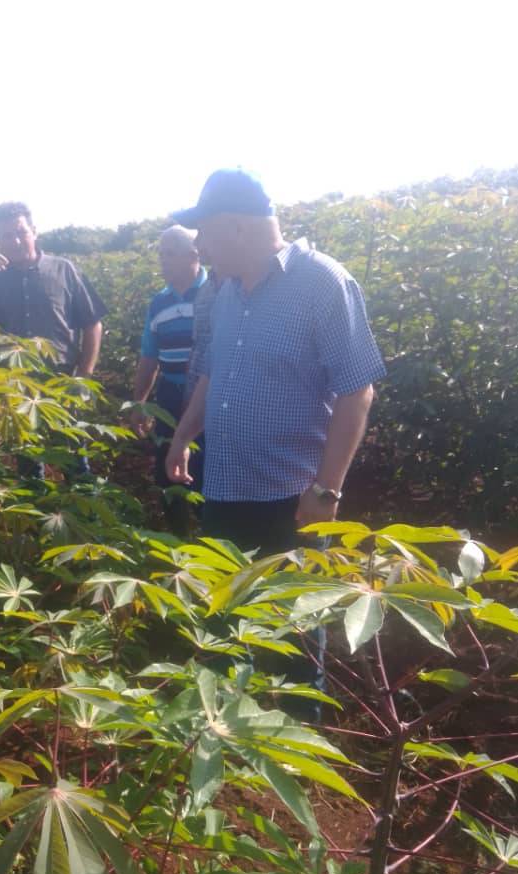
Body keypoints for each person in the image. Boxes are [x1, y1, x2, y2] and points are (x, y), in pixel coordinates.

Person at [166, 169, 385, 715]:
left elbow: (357, 392)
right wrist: (183, 436)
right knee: (220, 622)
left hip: (291, 500)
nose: (200, 247)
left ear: (236, 228)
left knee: (290, 635)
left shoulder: (323, 283)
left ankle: (293, 757)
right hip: (225, 488)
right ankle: (224, 738)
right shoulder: (225, 293)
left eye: (205, 234)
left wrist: (326, 491)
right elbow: (212, 376)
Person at [0, 201, 106, 377]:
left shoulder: (64, 269)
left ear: (34, 231)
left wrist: (84, 373)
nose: (16, 241)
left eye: (21, 233)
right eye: (7, 236)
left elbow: (92, 324)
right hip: (7, 382)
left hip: (61, 379)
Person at [131, 226, 207, 530]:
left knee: (204, 470)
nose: (163, 260)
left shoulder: (217, 292)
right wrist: (140, 403)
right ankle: (177, 540)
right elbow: (149, 356)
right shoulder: (159, 302)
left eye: (170, 254)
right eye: (160, 253)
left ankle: (210, 540)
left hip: (208, 398)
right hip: (170, 397)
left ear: (194, 254)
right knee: (166, 470)